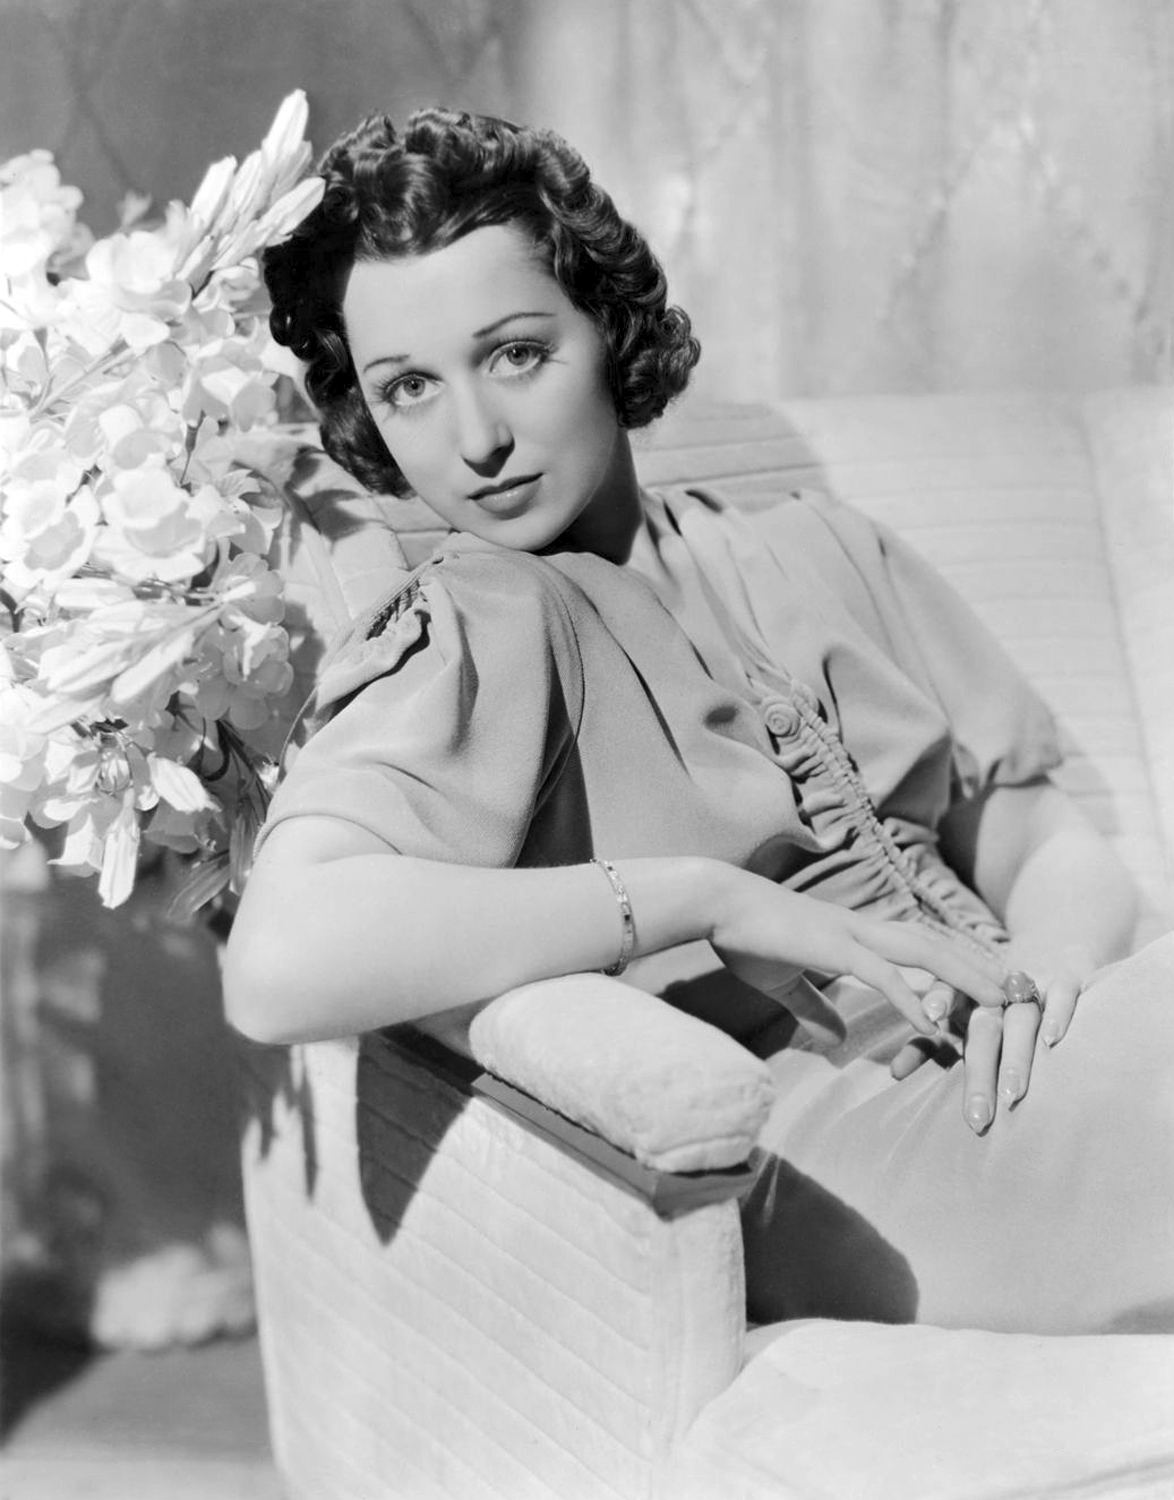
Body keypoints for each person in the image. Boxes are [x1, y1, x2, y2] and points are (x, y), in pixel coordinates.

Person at [223, 106, 1171, 1336]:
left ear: (606, 326)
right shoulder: (479, 622)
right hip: (845, 1156)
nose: (476, 440)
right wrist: (699, 897)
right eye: (408, 388)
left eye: (514, 355)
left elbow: (1035, 834)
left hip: (1039, 1058)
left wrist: (1051, 980)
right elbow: (278, 966)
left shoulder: (814, 543)